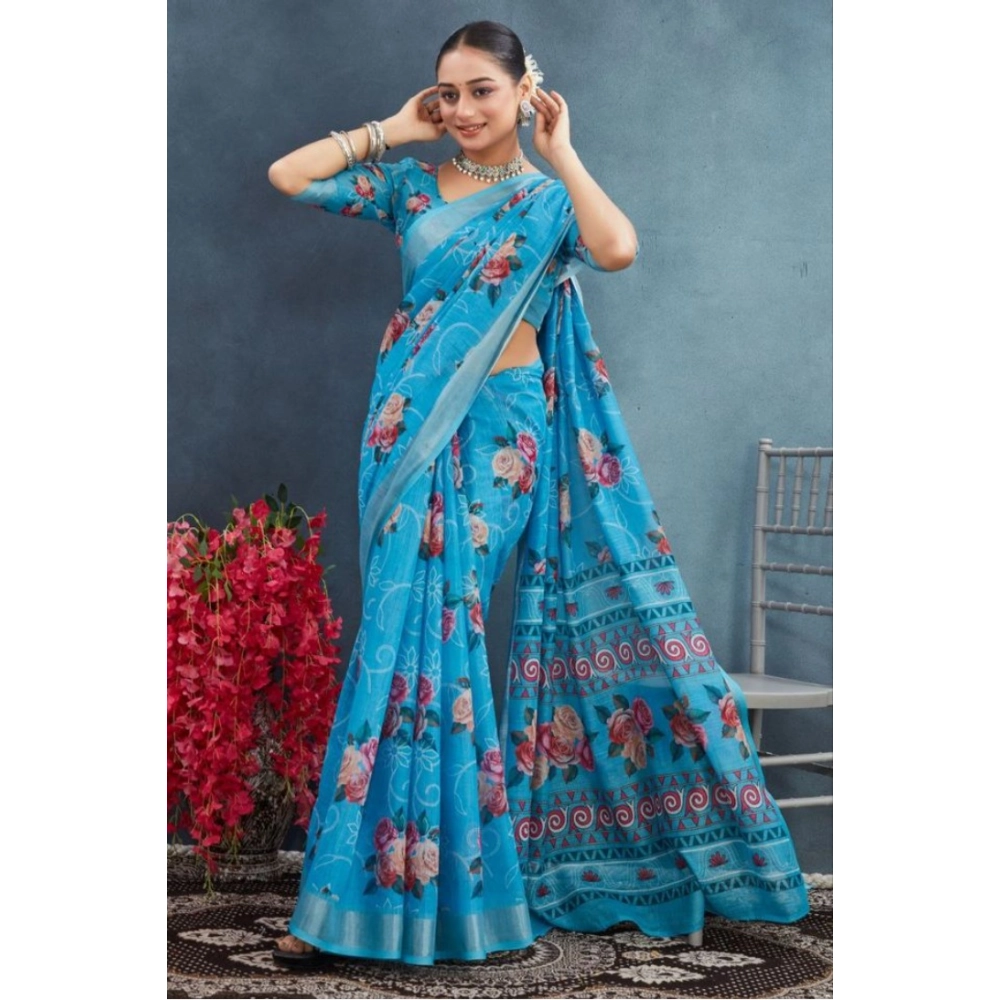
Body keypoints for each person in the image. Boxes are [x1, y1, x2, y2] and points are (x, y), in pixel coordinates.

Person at [266, 20, 809, 968]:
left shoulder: (547, 202)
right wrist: (393, 130)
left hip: (501, 437)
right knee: (395, 638)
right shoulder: (411, 186)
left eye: (483, 89)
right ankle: (357, 901)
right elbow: (289, 175)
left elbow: (618, 247)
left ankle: (455, 895)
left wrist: (562, 152)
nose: (463, 110)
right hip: (407, 432)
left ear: (525, 91)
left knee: (448, 633)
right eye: (448, 93)